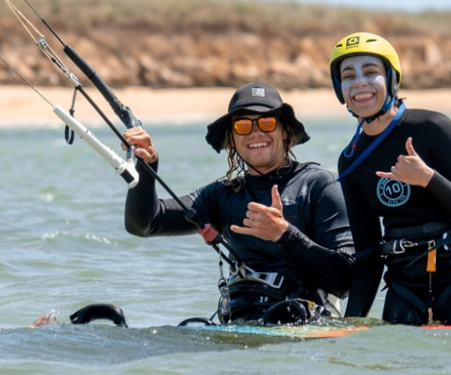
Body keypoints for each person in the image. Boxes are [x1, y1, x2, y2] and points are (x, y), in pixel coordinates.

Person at [122, 82, 354, 325]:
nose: (256, 132)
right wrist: (146, 167)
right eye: (243, 125)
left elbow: (346, 282)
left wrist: (284, 234)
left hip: (303, 330)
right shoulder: (221, 196)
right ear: (231, 138)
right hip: (240, 329)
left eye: (267, 122)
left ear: (285, 131)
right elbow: (144, 224)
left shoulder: (319, 185)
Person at [329, 32, 451, 325]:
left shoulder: (432, 128)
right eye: (348, 76)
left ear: (392, 79)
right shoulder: (350, 160)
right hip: (403, 286)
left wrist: (428, 178)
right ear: (339, 88)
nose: (359, 82)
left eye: (371, 72)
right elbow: (368, 254)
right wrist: (350, 324)